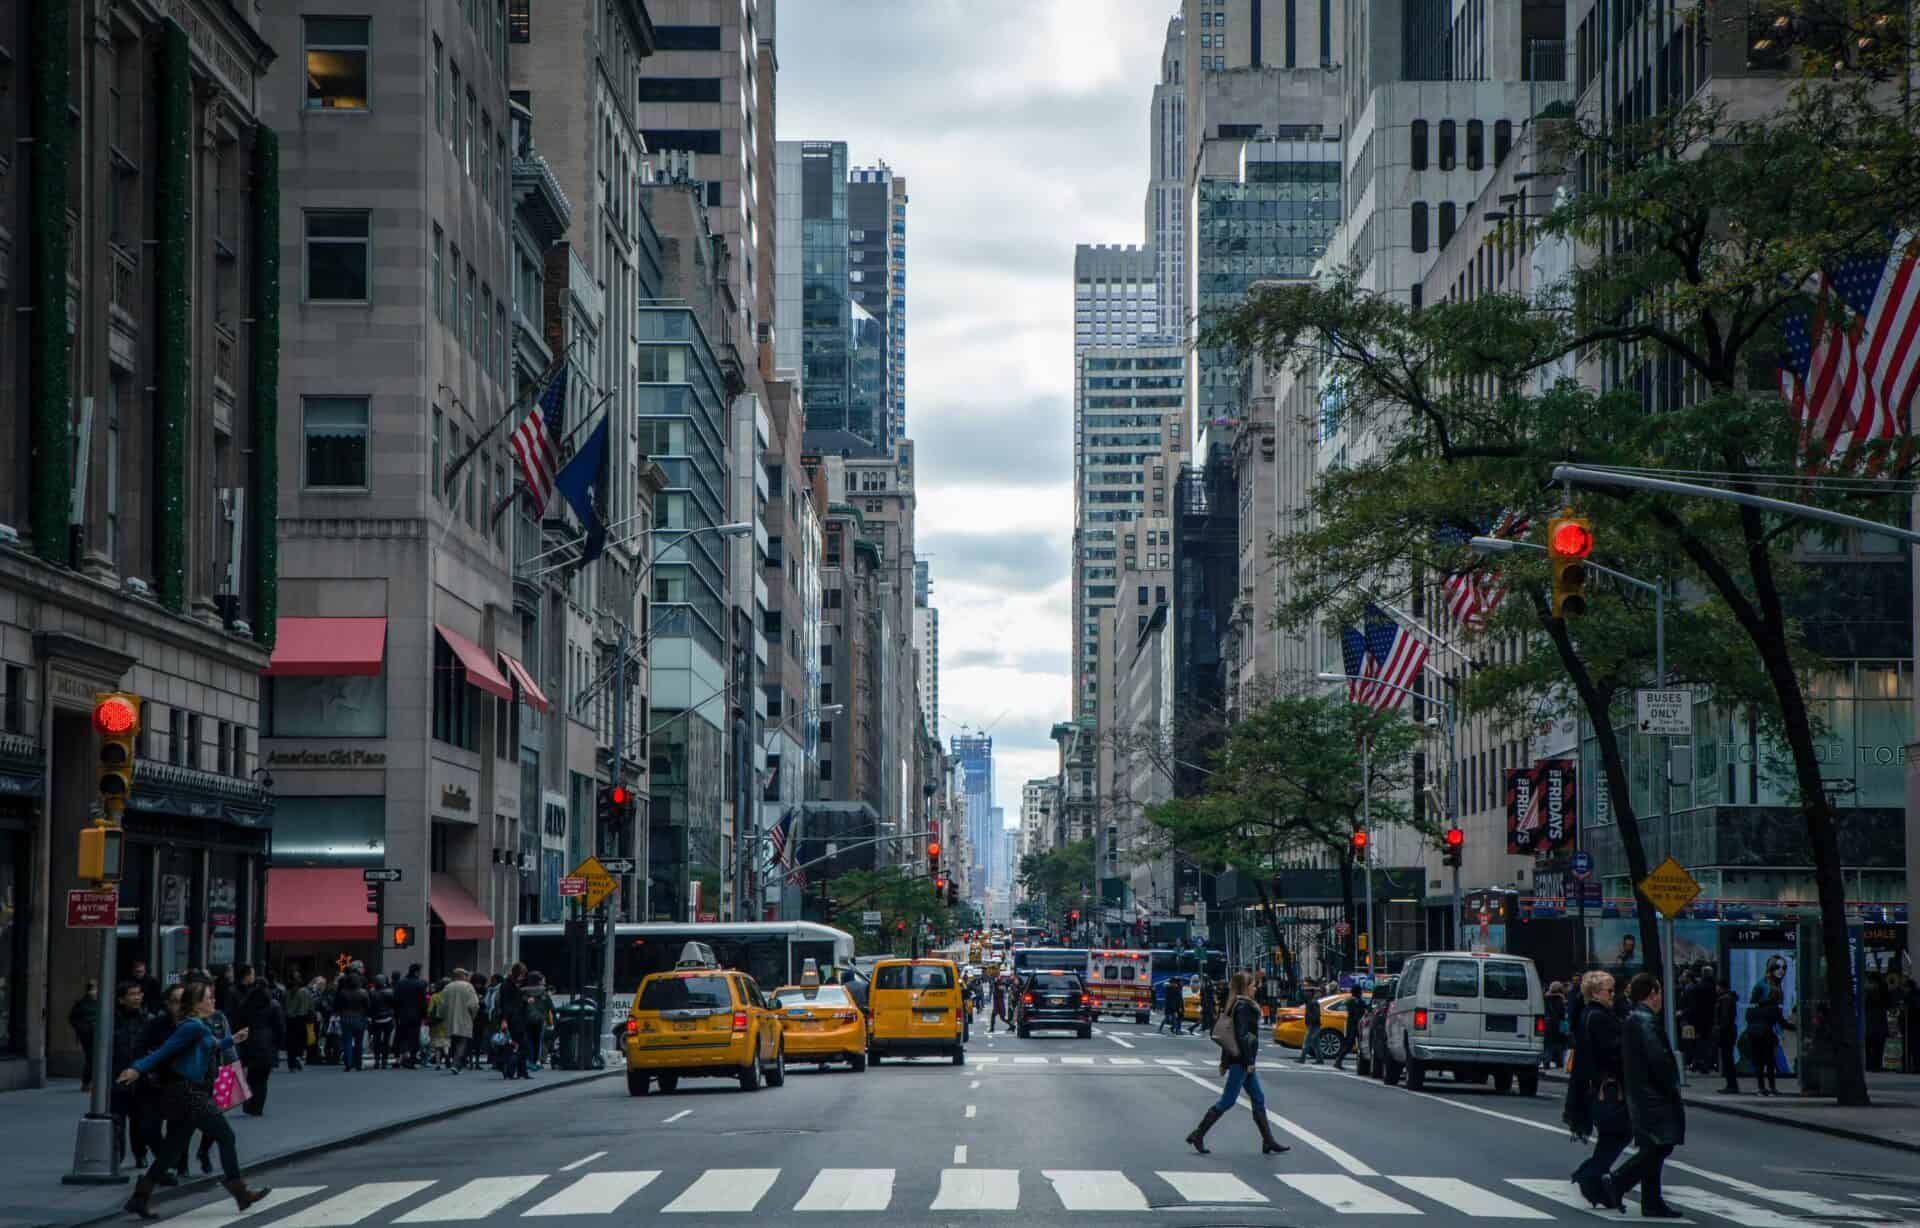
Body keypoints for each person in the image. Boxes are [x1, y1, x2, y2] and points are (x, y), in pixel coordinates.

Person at [118, 980, 270, 1220]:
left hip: (184, 1094)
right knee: (226, 1135)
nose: (213, 1001)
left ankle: (140, 1197)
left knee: (171, 1150)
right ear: (197, 1004)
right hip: (188, 1093)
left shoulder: (199, 1025)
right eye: (208, 998)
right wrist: (137, 1068)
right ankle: (239, 1191)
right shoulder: (192, 1027)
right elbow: (164, 1050)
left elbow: (213, 1046)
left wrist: (234, 1040)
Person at [1601, 973, 1685, 1218]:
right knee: (1661, 1145)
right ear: (1652, 993)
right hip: (1653, 1096)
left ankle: (1651, 1202)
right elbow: (1658, 1060)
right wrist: (1671, 1087)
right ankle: (1617, 1181)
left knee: (1653, 1145)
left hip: (1641, 1094)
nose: (1661, 998)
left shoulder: (1634, 1018)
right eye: (1659, 992)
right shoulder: (1644, 1020)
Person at [1185, 971, 1288, 1156]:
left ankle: (1268, 1141)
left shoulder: (1237, 1005)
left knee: (1258, 1098)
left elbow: (1229, 1036)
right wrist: (1248, 1061)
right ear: (1244, 988)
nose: (1256, 988)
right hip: (1242, 1061)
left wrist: (1225, 1061)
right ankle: (1198, 1134)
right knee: (1228, 1100)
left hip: (1240, 1060)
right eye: (1253, 985)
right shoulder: (1243, 1007)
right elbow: (1240, 1036)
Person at [1567, 971, 1631, 1208]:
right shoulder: (1599, 1017)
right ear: (1595, 993)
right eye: (1609, 990)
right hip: (1608, 1086)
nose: (1613, 995)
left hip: (1595, 1085)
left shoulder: (1587, 1014)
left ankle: (1596, 1184)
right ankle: (1590, 1175)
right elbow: (1611, 1052)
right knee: (1621, 1131)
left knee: (1610, 1135)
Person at [110, 982, 150, 1168]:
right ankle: (117, 1155)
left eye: (139, 993)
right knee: (117, 1119)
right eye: (132, 994)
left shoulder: (147, 1019)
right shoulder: (112, 1021)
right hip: (117, 1075)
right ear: (121, 999)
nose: (137, 997)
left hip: (141, 1077)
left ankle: (140, 1154)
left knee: (140, 1121)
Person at [231, 976, 282, 1116]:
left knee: (252, 1075)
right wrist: (278, 1044)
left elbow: (237, 1024)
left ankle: (250, 1104)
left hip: (250, 1043)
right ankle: (257, 1107)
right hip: (268, 1044)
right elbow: (279, 1028)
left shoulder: (246, 1004)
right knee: (262, 1078)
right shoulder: (274, 1005)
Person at [1744, 981, 1787, 1097]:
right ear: (1777, 997)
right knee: (1769, 1062)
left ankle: (1761, 1088)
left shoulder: (1757, 1006)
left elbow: (1747, 1018)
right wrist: (1797, 1026)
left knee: (1759, 1063)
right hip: (1766, 1036)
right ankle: (1772, 1088)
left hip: (1754, 1036)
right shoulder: (1774, 1008)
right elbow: (1783, 1023)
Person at [439, 968, 480, 1074]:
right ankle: (456, 1064)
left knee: (454, 1040)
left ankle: (453, 1061)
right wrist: (473, 1016)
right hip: (465, 1018)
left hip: (450, 1019)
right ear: (463, 976)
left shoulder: (447, 987)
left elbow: (441, 1005)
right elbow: (474, 1004)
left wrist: (443, 1016)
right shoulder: (468, 986)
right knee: (463, 1041)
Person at [496, 963, 529, 1079]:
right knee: (521, 1046)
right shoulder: (507, 985)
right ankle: (510, 1069)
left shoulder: (513, 985)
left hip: (516, 1018)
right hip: (513, 1019)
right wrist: (504, 1020)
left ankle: (521, 1071)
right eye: (522, 975)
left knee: (517, 1045)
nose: (523, 977)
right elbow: (505, 1004)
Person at [393, 963, 429, 1069]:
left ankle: (400, 1057)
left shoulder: (400, 983)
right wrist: (424, 1015)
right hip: (415, 1015)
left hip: (402, 1015)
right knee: (413, 1038)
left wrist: (397, 1014)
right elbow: (422, 1002)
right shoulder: (420, 984)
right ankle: (412, 1059)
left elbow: (396, 1001)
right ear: (416, 972)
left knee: (401, 1037)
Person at [70, 979, 100, 1092]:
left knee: (96, 1058)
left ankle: (94, 1082)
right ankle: (87, 1082)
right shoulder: (81, 1003)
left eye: (95, 989)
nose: (94, 992)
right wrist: (83, 1028)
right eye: (92, 989)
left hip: (99, 1035)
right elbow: (73, 1019)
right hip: (87, 1035)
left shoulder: (102, 1003)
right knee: (91, 1058)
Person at [522, 973, 554, 1071]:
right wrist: (550, 1022)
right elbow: (550, 1007)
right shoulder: (544, 993)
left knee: (529, 1041)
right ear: (539, 981)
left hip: (526, 1020)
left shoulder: (523, 992)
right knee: (538, 1042)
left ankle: (530, 1061)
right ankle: (536, 1061)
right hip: (540, 1020)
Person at [1714, 980, 1741, 1094]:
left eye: (1717, 987)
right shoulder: (1729, 998)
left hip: (1726, 1033)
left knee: (1727, 1059)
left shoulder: (1725, 999)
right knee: (1727, 1058)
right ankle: (1731, 1084)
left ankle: (1731, 1085)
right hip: (1729, 1031)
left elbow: (1725, 1018)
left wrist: (1719, 1030)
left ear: (1720, 987)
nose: (1716, 989)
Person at [1332, 983, 1365, 1071]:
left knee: (1350, 1044)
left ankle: (1338, 1061)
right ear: (1358, 992)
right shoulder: (1355, 1001)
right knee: (1350, 1044)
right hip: (1354, 1025)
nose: (1361, 993)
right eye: (1360, 991)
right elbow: (1357, 1013)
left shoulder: (1353, 1001)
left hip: (1352, 1025)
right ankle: (1338, 1061)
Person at [367, 974, 396, 1070]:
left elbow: (369, 1006)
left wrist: (370, 1016)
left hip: (376, 1019)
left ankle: (377, 1060)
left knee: (376, 1041)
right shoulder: (390, 992)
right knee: (386, 1041)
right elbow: (394, 1005)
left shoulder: (372, 993)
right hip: (388, 1018)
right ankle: (384, 1060)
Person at [1544, 982, 1570, 1071]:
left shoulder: (1545, 998)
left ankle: (1546, 1062)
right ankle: (1560, 1063)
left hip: (1547, 1024)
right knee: (1560, 1044)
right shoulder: (1560, 999)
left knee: (1548, 1045)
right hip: (1558, 1024)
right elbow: (1562, 1014)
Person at [1297, 983, 1323, 1063]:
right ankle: (1319, 1059)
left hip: (1313, 1026)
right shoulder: (1309, 1001)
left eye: (1306, 992)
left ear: (1310, 993)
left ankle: (1302, 1058)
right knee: (1316, 1044)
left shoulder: (1313, 1002)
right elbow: (1300, 996)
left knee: (1307, 1042)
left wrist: (1311, 1024)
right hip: (1313, 1025)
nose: (1305, 993)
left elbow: (1315, 1015)